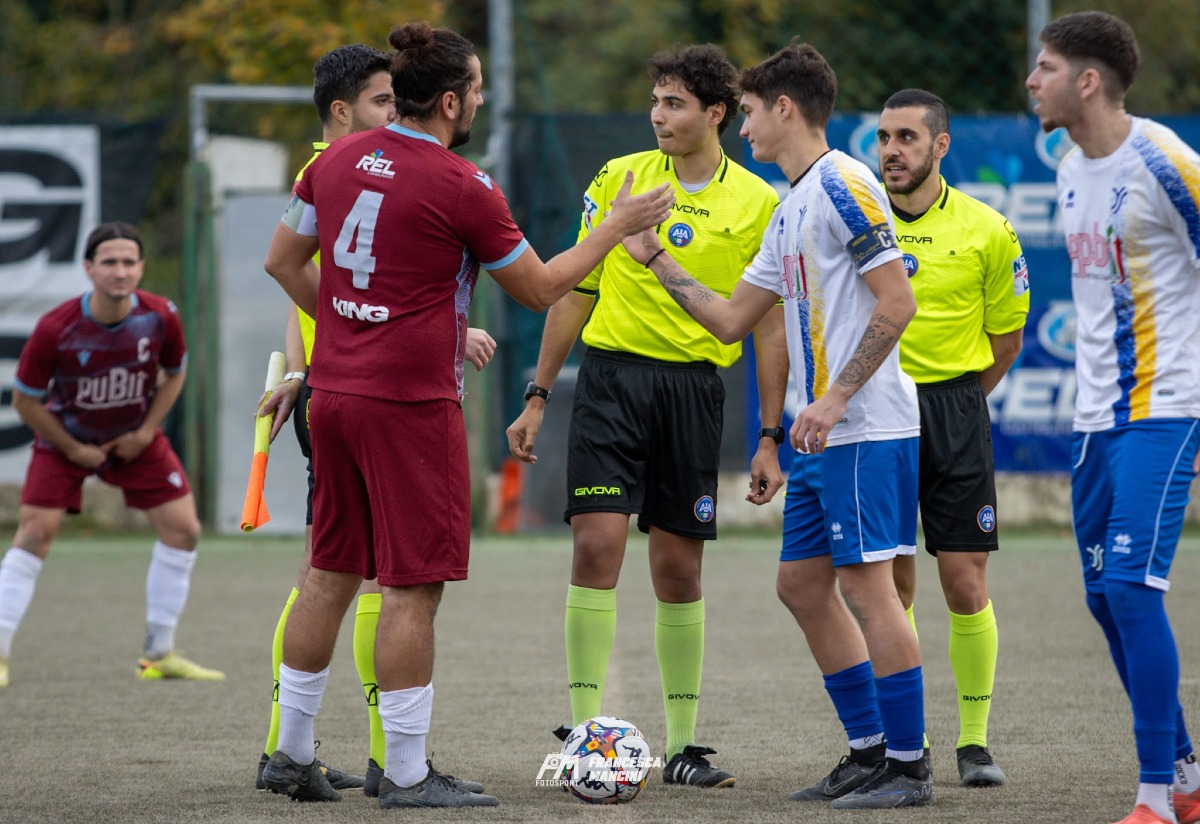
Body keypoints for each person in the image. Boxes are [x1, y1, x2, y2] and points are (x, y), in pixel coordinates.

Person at [261, 21, 673, 809]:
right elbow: (543, 288)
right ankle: (408, 775)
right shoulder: (462, 183)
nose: (481, 99)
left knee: (329, 571)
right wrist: (617, 229)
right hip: (409, 405)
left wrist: (346, 329)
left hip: (335, 396)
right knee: (413, 586)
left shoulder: (336, 157)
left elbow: (283, 260)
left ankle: (291, 752)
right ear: (451, 100)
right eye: (477, 89)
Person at [622, 41, 933, 809]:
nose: (747, 127)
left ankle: (908, 765)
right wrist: (654, 258)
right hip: (818, 437)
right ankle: (866, 751)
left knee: (869, 590)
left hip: (863, 430)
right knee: (800, 586)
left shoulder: (846, 184)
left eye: (752, 112)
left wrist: (831, 400)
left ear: (784, 109)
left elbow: (897, 303)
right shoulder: (792, 204)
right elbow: (730, 321)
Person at [505, 43, 783, 788]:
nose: (658, 116)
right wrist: (537, 394)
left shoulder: (759, 203)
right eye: (655, 101)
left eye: (674, 104)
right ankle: (585, 734)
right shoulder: (619, 179)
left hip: (694, 392)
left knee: (677, 567)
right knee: (596, 546)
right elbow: (575, 289)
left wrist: (769, 435)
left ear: (715, 114)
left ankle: (685, 746)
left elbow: (767, 327)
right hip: (611, 384)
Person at [1028, 12, 1200, 824]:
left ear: (1086, 81)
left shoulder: (1167, 163)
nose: (1032, 81)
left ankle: (1155, 798)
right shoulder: (1068, 166)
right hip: (1094, 419)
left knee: (1132, 588)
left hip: (1167, 410)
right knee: (1104, 599)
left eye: (1046, 67)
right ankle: (1189, 773)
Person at [877, 88, 1029, 787]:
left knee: (964, 581)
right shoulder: (862, 221)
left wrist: (958, 403)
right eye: (883, 138)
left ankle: (974, 743)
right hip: (879, 414)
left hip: (955, 411)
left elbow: (1006, 340)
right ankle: (910, 741)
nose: (892, 151)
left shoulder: (988, 228)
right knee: (892, 583)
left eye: (907, 137)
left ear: (940, 146)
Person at [0, 222, 224, 689]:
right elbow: (25, 402)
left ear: (141, 267)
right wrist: (72, 448)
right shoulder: (55, 328)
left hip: (133, 439)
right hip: (65, 441)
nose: (119, 272)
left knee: (184, 531)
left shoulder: (161, 316)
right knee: (35, 535)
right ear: (88, 269)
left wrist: (146, 431)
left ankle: (158, 654)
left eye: (128, 262)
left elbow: (174, 372)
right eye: (109, 262)